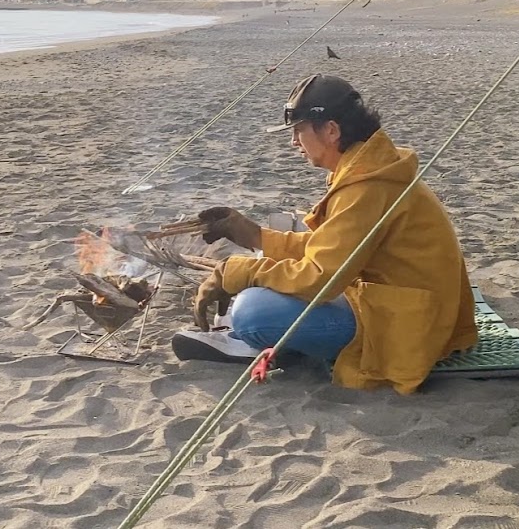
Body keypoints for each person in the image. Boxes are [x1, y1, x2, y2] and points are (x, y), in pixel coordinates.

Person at [171, 73, 478, 395]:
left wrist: (233, 272)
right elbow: (331, 248)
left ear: (331, 130)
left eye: (299, 130)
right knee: (261, 279)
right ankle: (252, 335)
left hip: (408, 324)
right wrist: (256, 237)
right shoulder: (369, 168)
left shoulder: (367, 185)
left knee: (252, 312)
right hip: (406, 304)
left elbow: (320, 279)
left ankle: (249, 341)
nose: (294, 142)